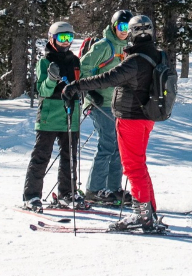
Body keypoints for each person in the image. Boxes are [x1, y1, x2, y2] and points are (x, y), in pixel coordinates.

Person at [63, 14, 168, 232]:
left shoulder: (136, 60)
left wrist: (76, 86)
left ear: (132, 33)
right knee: (139, 164)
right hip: (146, 118)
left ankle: (143, 216)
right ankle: (148, 210)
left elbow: (107, 78)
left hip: (131, 118)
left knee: (133, 167)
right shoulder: (158, 55)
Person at [22, 21, 84, 212]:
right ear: (52, 38)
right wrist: (50, 78)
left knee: (70, 157)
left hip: (70, 114)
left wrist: (87, 95)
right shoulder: (45, 62)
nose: (66, 42)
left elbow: (80, 82)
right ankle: (32, 196)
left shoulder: (75, 61)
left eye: (69, 37)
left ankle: (67, 192)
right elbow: (42, 90)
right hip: (49, 115)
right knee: (41, 156)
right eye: (62, 37)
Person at [80, 9, 132, 205]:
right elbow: (83, 67)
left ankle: (113, 188)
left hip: (118, 105)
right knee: (108, 144)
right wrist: (90, 91)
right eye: (121, 26)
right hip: (100, 103)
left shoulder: (127, 47)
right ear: (114, 26)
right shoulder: (104, 46)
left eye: (128, 27)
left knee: (119, 147)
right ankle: (94, 189)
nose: (124, 31)